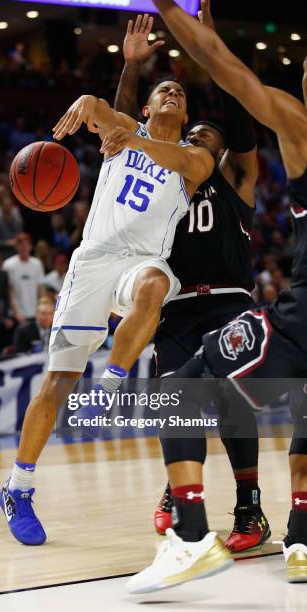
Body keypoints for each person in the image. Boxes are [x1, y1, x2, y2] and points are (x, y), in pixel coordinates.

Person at [127, 0, 307, 592]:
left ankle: (202, 527)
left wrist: (185, 24)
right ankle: (299, 537)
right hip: (179, 305)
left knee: (188, 393)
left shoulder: (257, 155)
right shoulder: (158, 175)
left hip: (258, 305)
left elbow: (232, 81)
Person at [0, 66, 216, 546]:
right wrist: (87, 100)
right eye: (164, 90)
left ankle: (111, 384)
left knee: (156, 284)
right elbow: (99, 109)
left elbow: (182, 163)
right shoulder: (126, 129)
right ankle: (18, 487)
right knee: (57, 383)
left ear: (186, 113)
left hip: (141, 262)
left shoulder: (195, 159)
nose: (173, 93)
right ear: (146, 107)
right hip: (92, 263)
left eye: (179, 91)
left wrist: (126, 138)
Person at [114, 10, 267, 553]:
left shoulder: (233, 178)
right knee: (175, 403)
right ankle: (180, 493)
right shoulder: (162, 177)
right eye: (192, 133)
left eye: (208, 135)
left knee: (226, 397)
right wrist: (132, 71)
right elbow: (123, 127)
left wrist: (210, 53)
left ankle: (249, 506)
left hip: (227, 304)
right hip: (175, 307)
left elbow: (241, 127)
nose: (198, 135)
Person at [3, 233, 45, 324]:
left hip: (34, 313)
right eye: (21, 245)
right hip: (16, 315)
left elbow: (41, 288)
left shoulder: (37, 264)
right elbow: (8, 290)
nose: (24, 247)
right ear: (16, 246)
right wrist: (16, 313)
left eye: (26, 244)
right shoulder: (8, 264)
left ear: (30, 246)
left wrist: (41, 309)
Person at [0, 194, 23, 260]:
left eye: (10, 205)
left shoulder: (17, 222)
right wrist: (6, 243)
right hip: (2, 255)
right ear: (1, 207)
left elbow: (20, 237)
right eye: (6, 205)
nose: (8, 207)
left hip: (16, 254)